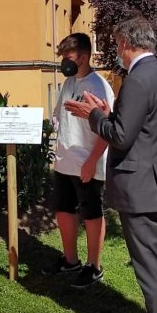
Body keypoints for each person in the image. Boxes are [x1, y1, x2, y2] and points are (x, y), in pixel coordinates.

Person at [65, 16, 157, 313]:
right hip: (149, 186)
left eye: (116, 44)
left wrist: (93, 115)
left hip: (142, 189)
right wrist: (108, 112)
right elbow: (136, 125)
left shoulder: (139, 78)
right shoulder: (153, 74)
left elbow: (120, 135)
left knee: (152, 273)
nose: (115, 51)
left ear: (129, 44)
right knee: (152, 270)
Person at [44, 33, 115, 289]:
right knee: (64, 211)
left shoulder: (99, 86)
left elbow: (108, 129)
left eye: (69, 57)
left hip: (87, 163)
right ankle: (70, 260)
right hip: (64, 161)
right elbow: (60, 116)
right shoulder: (68, 83)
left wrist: (91, 161)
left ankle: (94, 267)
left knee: (92, 213)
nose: (65, 62)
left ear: (83, 57)